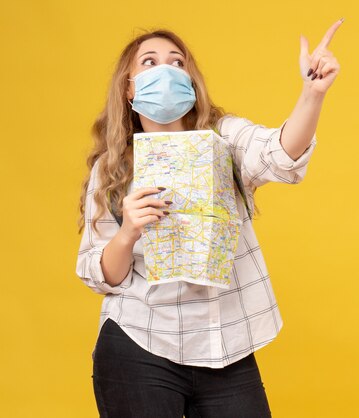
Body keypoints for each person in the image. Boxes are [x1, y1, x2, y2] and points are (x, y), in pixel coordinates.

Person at [75, 21, 342, 418]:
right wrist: (128, 231)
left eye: (176, 62)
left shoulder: (225, 139)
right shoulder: (112, 168)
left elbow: (279, 153)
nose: (165, 70)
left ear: (190, 80)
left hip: (225, 344)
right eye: (149, 62)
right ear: (129, 88)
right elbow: (102, 275)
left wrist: (312, 94)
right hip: (140, 342)